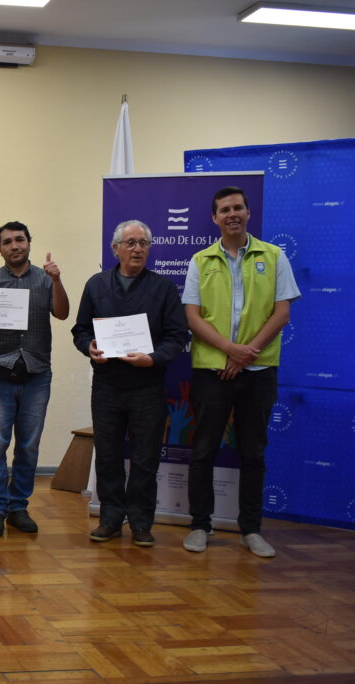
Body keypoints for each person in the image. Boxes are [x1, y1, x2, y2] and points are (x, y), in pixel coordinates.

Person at [182, 186, 300, 558]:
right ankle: (200, 525)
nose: (232, 214)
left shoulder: (274, 256)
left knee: (253, 452)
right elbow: (192, 317)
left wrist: (245, 355)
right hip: (212, 371)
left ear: (248, 212)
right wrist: (231, 350)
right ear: (214, 218)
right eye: (224, 209)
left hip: (258, 370)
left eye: (238, 207)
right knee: (203, 450)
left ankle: (250, 530)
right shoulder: (200, 260)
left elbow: (282, 313)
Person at [71, 220, 187, 547]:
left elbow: (177, 336)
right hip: (107, 385)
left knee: (145, 458)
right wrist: (89, 347)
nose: (137, 249)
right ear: (115, 249)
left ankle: (140, 522)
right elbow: (81, 330)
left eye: (143, 243)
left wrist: (153, 358)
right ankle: (110, 519)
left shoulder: (163, 288)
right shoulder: (96, 285)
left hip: (148, 386)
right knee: (107, 456)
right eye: (130, 243)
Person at [0, 221, 69, 537]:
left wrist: (57, 280)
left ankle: (18, 507)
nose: (14, 245)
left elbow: (62, 313)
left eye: (19, 239)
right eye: (7, 242)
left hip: (36, 374)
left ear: (29, 243)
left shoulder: (45, 278)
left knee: (28, 446)